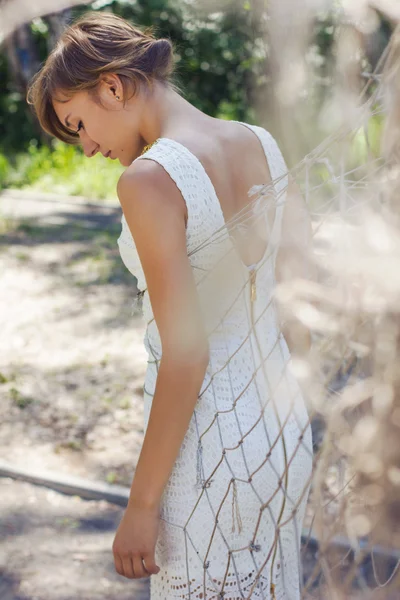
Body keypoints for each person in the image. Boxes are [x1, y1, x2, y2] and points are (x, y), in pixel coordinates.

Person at [27, 11, 314, 600]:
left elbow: (187, 354)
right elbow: (299, 299)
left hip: (210, 455)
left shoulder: (149, 181)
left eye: (79, 124)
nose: (85, 148)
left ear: (113, 84)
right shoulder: (260, 143)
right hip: (284, 434)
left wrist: (141, 504)